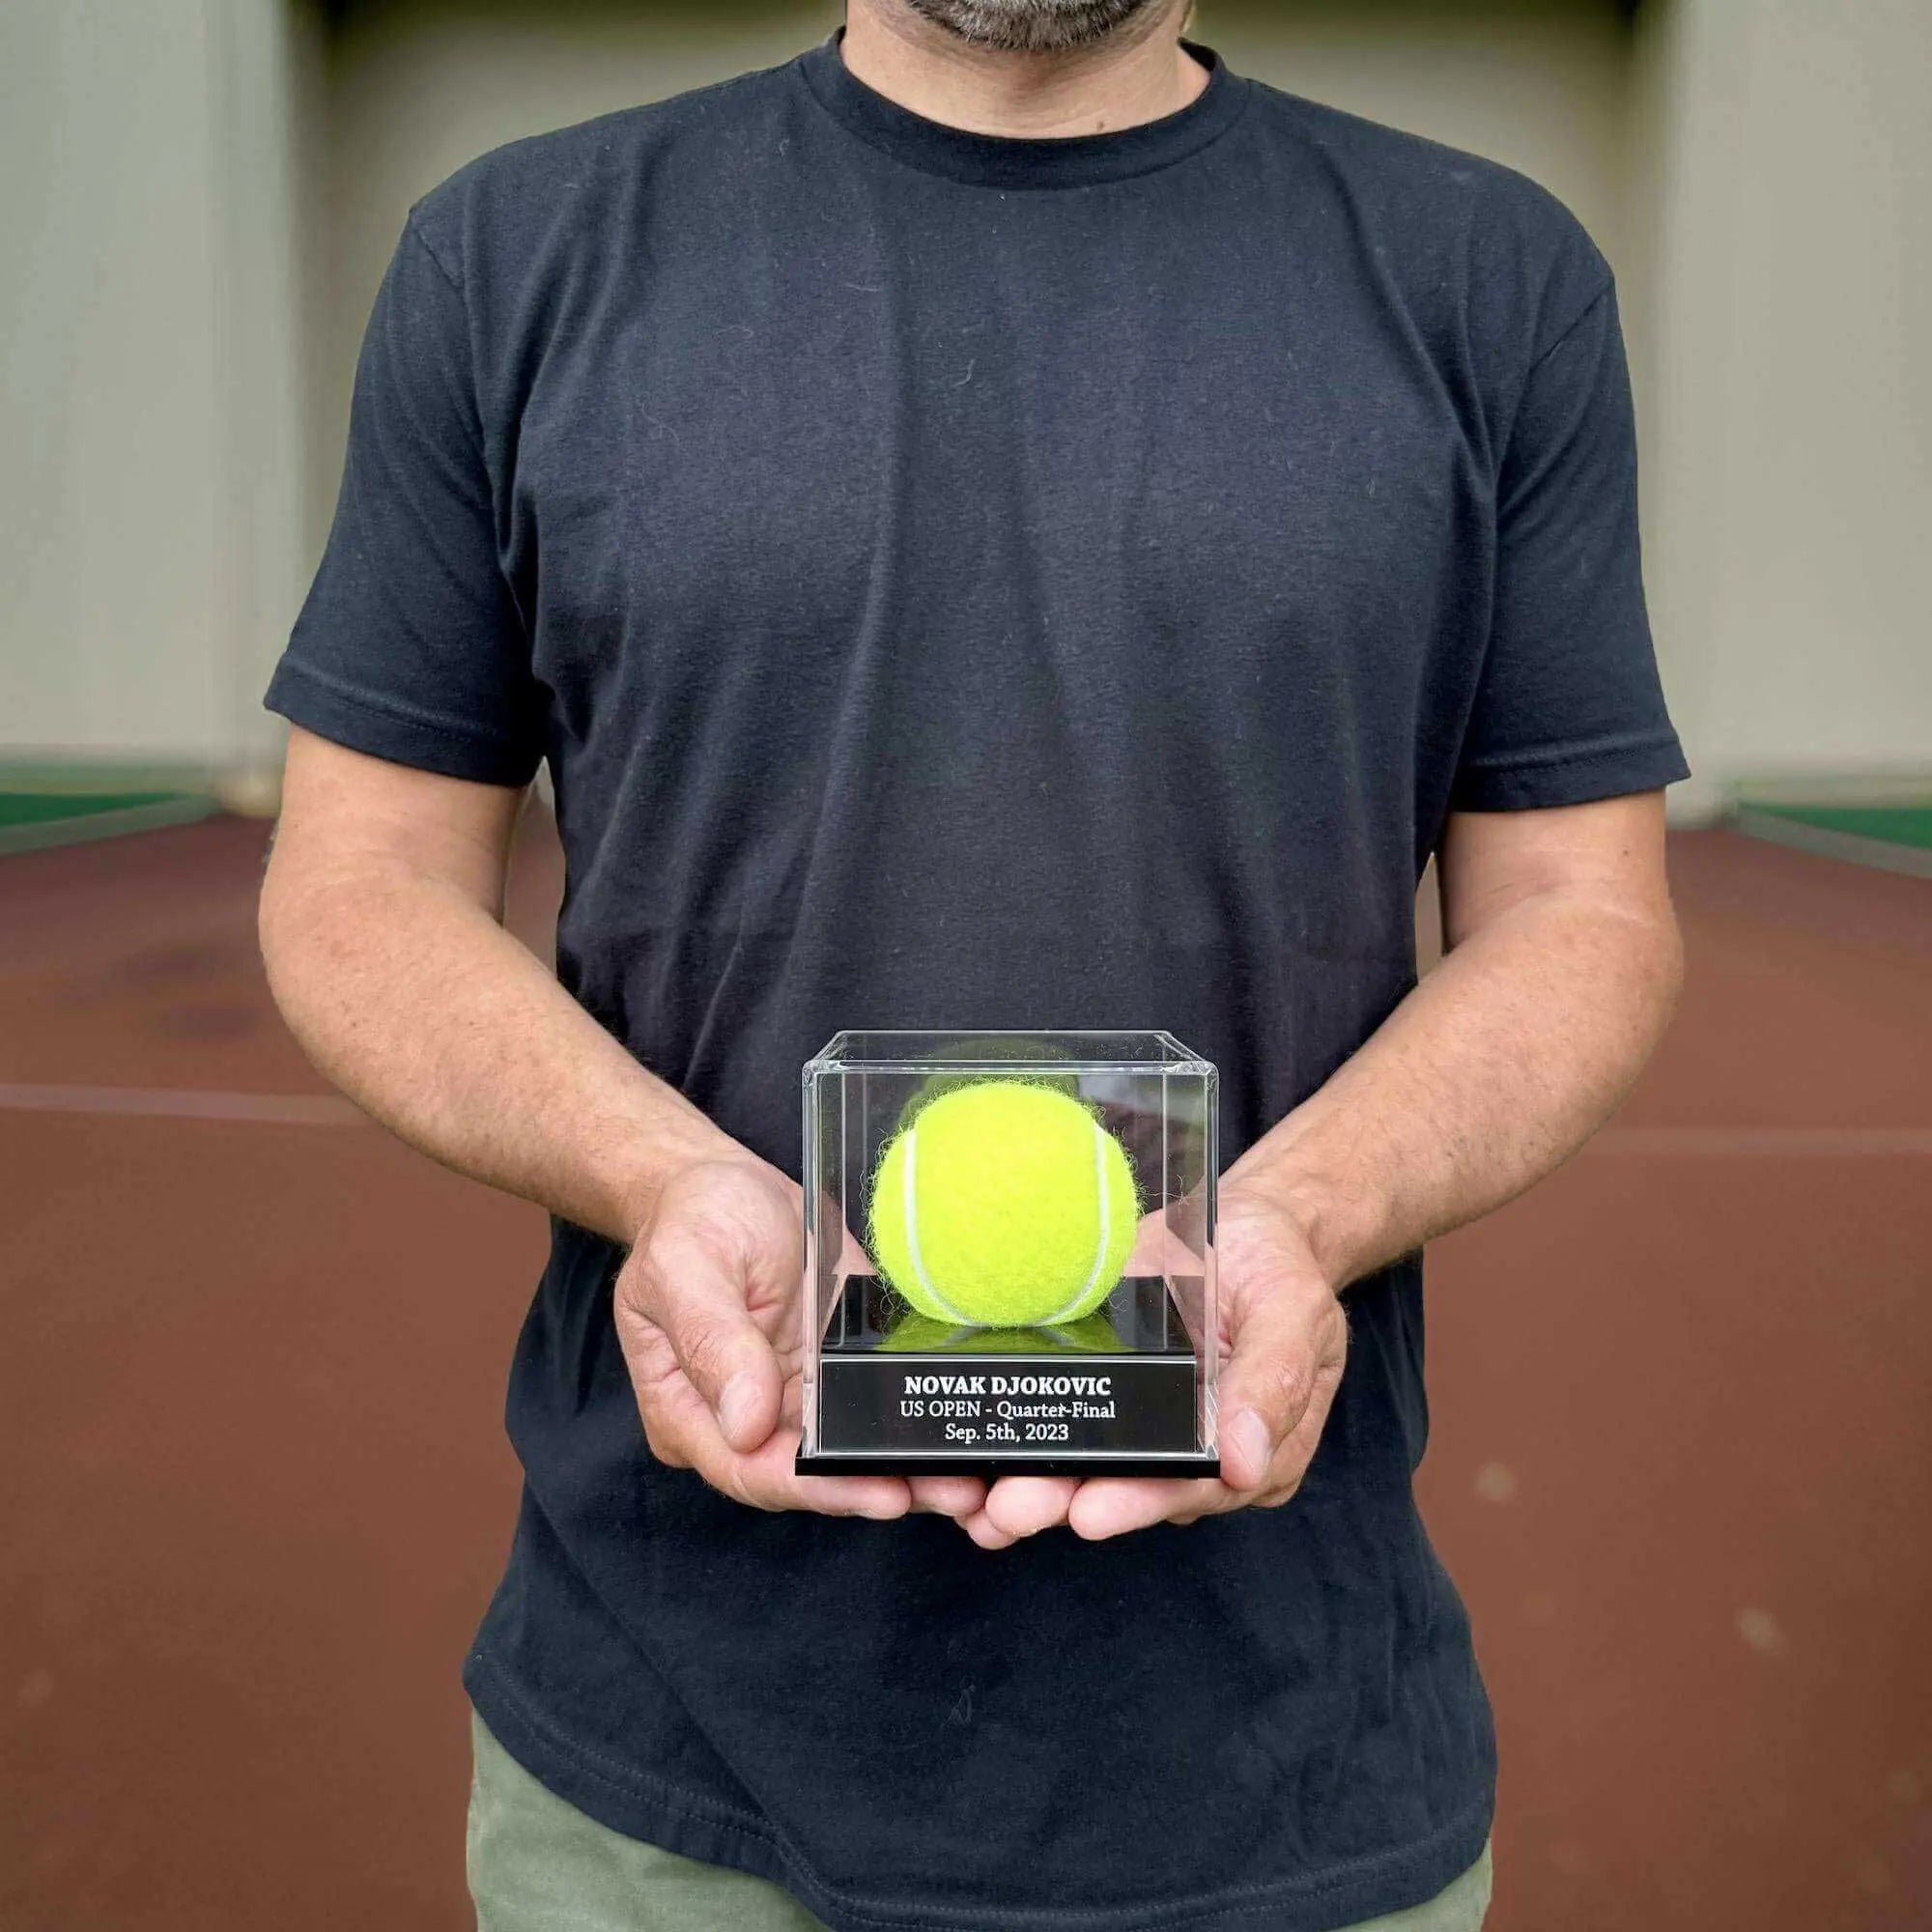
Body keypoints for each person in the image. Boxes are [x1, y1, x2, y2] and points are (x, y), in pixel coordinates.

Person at [258, 1, 1687, 1926]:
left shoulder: (1483, 274)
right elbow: (358, 885)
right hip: (662, 1774)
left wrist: (1304, 1215)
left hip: (1285, 1750)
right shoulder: (515, 251)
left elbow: (1581, 913)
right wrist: (664, 1179)